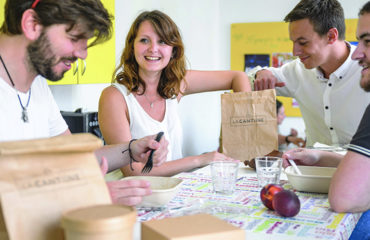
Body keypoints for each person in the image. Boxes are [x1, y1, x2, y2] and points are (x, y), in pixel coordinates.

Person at [0, 0, 169, 206]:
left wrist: (132, 150)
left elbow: (73, 158)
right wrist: (85, 195)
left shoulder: (38, 84)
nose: (82, 54)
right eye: (74, 38)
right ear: (32, 24)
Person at [98, 10, 251, 177]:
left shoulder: (175, 86)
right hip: (131, 197)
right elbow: (134, 171)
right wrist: (199, 160)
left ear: (173, 50)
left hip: (174, 194)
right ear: (132, 46)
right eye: (144, 40)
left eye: (162, 41)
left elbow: (238, 77)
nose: (153, 49)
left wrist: (242, 138)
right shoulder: (114, 97)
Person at [283, 2, 370, 238]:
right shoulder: (297, 72)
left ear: (331, 36)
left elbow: (344, 196)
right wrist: (320, 156)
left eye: (367, 42)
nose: (357, 53)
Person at [250, 0, 370, 147]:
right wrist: (261, 73)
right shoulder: (297, 70)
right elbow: (249, 79)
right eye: (293, 42)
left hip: (360, 167)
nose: (295, 52)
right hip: (310, 169)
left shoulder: (365, 71)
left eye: (303, 42)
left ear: (331, 36)